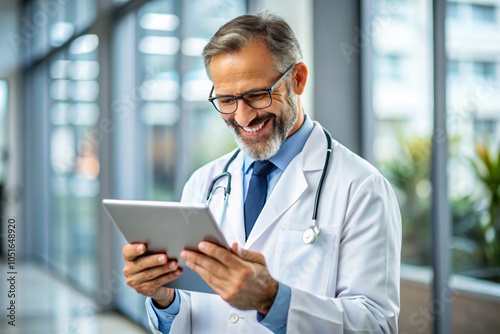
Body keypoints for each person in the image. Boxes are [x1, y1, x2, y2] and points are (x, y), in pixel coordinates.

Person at [122, 12, 401, 334]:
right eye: (226, 99)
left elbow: (377, 325)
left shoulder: (361, 187)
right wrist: (164, 298)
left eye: (256, 95)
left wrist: (272, 299)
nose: (242, 117)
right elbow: (195, 313)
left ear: (297, 79)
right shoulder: (204, 182)